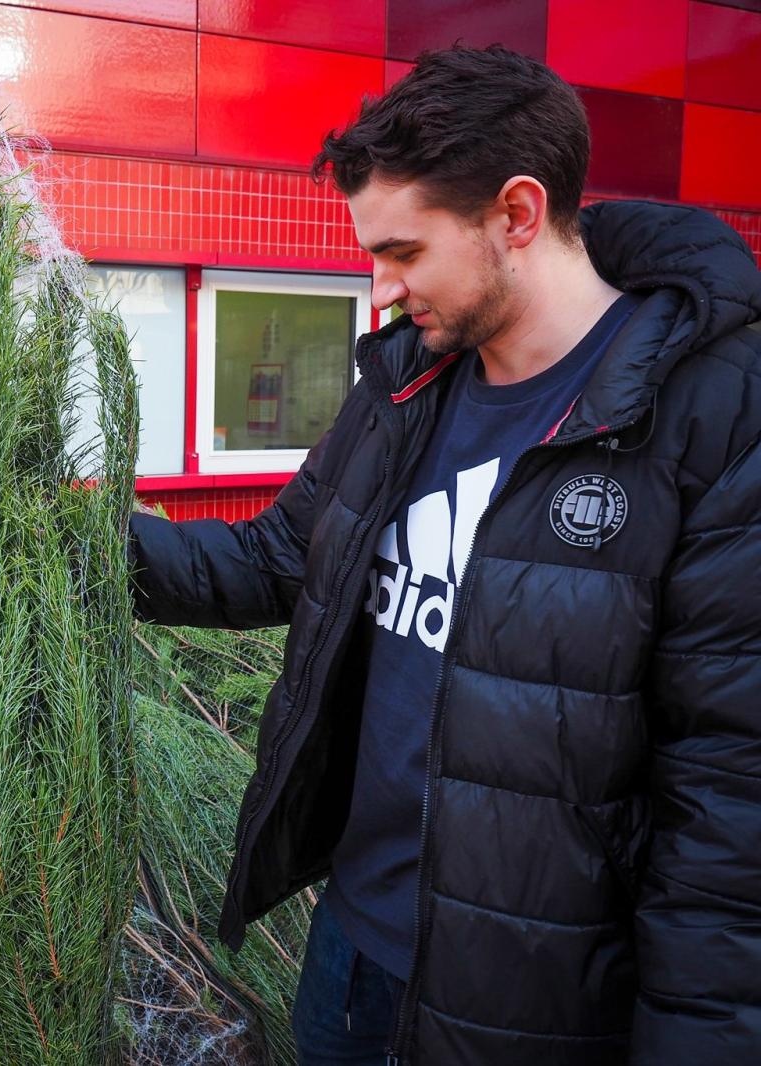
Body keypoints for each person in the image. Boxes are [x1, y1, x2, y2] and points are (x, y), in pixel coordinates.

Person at [131, 45, 761, 1065]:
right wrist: (58, 540)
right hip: (353, 953)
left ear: (515, 214)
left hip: (534, 1005)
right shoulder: (407, 387)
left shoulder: (708, 408)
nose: (379, 288)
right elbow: (277, 559)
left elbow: (726, 799)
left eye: (404, 251)